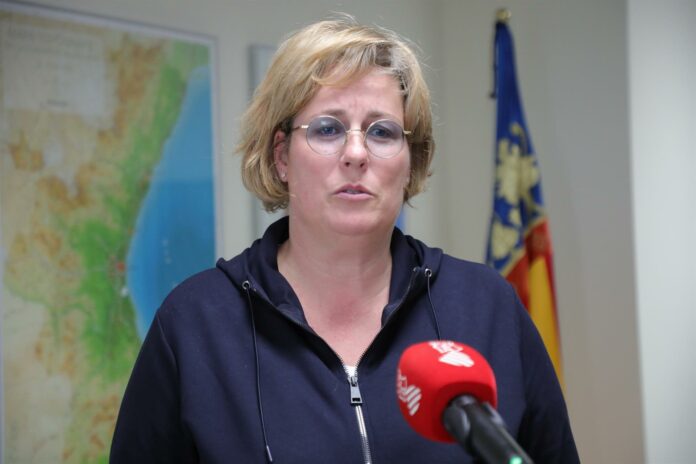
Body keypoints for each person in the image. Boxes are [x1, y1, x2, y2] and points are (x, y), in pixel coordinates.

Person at [110, 16, 579, 464]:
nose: (356, 153)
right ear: (281, 157)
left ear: (410, 162)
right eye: (328, 129)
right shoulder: (193, 326)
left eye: (382, 132)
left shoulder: (487, 308)